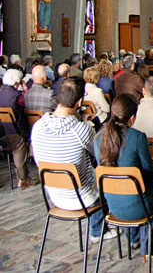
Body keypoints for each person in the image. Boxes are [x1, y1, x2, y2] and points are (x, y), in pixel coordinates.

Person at [31, 77, 118, 241]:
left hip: (54, 195)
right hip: (83, 197)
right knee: (107, 174)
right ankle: (98, 230)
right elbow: (99, 156)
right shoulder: (80, 130)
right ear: (79, 102)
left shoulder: (38, 127)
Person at [94, 94, 153, 261]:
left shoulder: (98, 138)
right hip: (139, 205)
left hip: (113, 206)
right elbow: (149, 171)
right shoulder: (137, 137)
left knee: (141, 190)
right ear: (132, 118)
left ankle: (135, 240)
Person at [0, 69, 29, 139]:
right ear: (16, 83)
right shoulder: (18, 96)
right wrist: (25, 88)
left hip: (3, 130)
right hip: (19, 131)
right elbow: (29, 102)